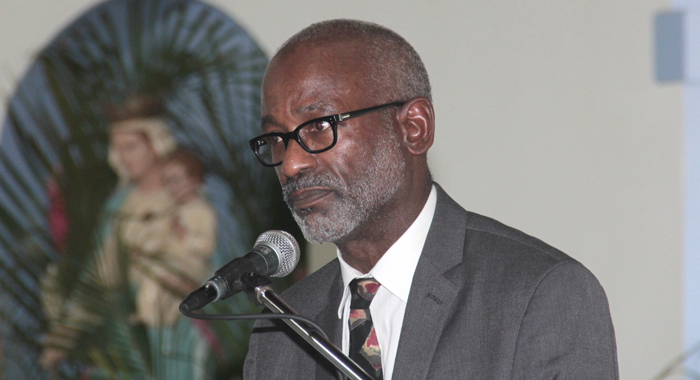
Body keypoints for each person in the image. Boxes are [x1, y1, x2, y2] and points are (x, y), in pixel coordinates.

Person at [243, 19, 618, 380]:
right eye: (276, 138)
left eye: (319, 126)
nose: (291, 163)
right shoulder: (280, 329)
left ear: (413, 128)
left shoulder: (539, 296)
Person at [40, 98, 218, 379]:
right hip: (131, 336)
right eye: (117, 148)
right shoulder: (118, 205)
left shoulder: (188, 199)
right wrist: (65, 335)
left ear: (156, 144)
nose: (123, 157)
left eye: (131, 147)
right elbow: (99, 277)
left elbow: (214, 266)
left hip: (182, 331)